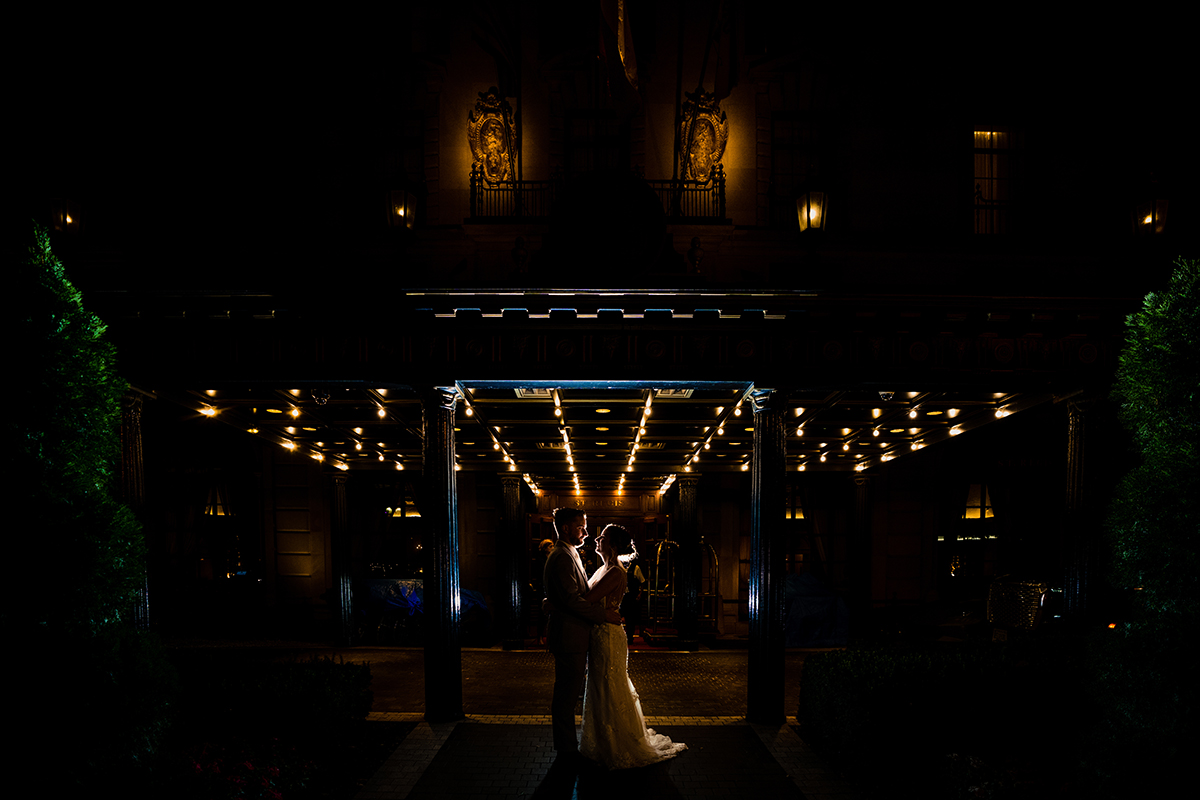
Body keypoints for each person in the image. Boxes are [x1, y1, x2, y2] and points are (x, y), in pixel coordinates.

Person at [579, 524, 687, 769]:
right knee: (600, 685)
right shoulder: (603, 568)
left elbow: (586, 601)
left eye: (602, 537)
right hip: (601, 631)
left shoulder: (616, 572)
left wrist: (604, 614)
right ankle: (601, 739)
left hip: (608, 636)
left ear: (613, 545)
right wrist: (603, 613)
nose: (597, 539)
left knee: (609, 685)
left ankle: (615, 743)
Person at [543, 507, 618, 756]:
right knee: (566, 697)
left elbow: (566, 597)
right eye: (580, 527)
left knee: (568, 694)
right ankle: (566, 751)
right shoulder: (562, 556)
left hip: (574, 635)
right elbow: (572, 600)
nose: (586, 532)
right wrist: (603, 615)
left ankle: (567, 747)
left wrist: (552, 602)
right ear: (565, 528)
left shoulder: (569, 552)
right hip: (569, 637)